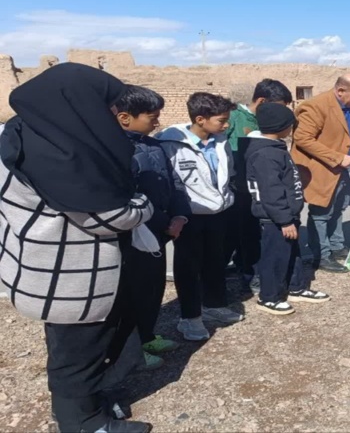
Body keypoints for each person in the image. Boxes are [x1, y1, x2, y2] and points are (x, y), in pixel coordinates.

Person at [0, 63, 155, 433]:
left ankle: (88, 406)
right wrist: (144, 205)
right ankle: (83, 423)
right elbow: (105, 215)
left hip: (42, 265)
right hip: (72, 275)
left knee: (75, 345)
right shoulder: (62, 156)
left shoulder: (23, 132)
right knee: (78, 352)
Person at [114, 85, 192, 371]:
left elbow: (173, 183)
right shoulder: (116, 151)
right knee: (131, 293)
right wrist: (164, 222)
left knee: (152, 288)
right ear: (125, 117)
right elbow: (130, 197)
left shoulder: (154, 145)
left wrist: (180, 215)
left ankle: (147, 335)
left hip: (160, 234)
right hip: (136, 234)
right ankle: (130, 350)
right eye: (152, 117)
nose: (158, 123)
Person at [158, 93, 243, 341]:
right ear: (200, 119)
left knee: (215, 261)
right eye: (221, 120)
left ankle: (214, 305)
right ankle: (190, 318)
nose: (226, 124)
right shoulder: (170, 144)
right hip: (190, 215)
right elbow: (172, 183)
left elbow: (227, 173)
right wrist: (177, 213)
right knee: (188, 266)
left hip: (219, 213)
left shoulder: (220, 141)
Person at [291, 73, 350, 273]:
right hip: (324, 170)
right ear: (341, 90)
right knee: (321, 213)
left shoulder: (348, 105)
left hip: (346, 170)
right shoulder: (316, 106)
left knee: (338, 209)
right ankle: (321, 254)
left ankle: (336, 247)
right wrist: (337, 157)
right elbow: (302, 138)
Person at [244, 102, 330, 315]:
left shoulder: (275, 148)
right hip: (274, 218)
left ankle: (296, 287)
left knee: (292, 253)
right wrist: (284, 220)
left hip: (287, 215)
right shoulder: (265, 154)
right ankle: (269, 297)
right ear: (282, 126)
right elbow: (271, 191)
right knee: (275, 257)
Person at [225, 79, 293, 293]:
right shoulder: (234, 118)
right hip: (240, 188)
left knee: (254, 232)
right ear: (262, 101)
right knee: (245, 232)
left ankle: (248, 268)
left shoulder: (267, 122)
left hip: (261, 187)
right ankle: (248, 272)